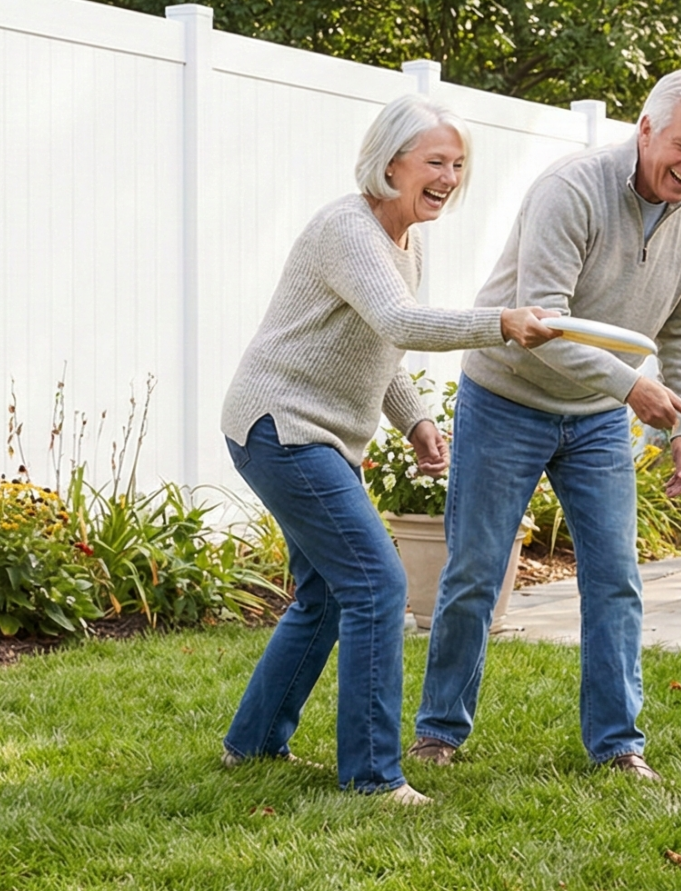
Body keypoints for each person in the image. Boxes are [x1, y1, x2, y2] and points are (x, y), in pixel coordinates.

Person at [219, 94, 559, 805]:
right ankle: (373, 775)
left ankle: (251, 744)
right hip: (281, 426)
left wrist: (413, 421)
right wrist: (501, 323)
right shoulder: (348, 229)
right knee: (377, 584)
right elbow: (400, 319)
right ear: (390, 161)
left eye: (458, 164)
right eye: (436, 161)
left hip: (313, 434)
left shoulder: (405, 240)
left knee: (324, 596)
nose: (449, 176)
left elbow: (381, 341)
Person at [410, 68, 681, 782]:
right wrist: (631, 388)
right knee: (475, 570)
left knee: (616, 578)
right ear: (645, 128)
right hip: (508, 396)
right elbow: (541, 323)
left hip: (593, 419)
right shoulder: (574, 187)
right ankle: (438, 730)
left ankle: (619, 744)